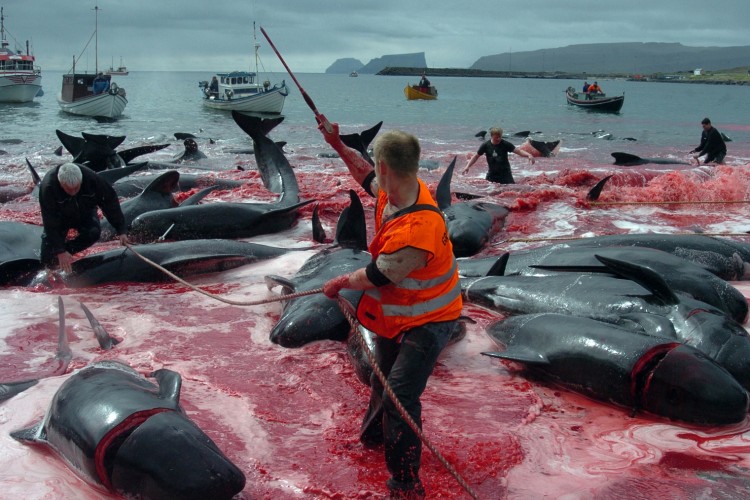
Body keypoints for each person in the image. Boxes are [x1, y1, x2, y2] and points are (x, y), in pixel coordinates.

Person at [317, 116, 462, 499]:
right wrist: (336, 144)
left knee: (400, 395)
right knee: (382, 379)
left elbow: (381, 275)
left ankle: (405, 484)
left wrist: (339, 283)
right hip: (400, 313)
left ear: (388, 167)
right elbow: (364, 174)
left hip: (432, 318)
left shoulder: (418, 228)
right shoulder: (398, 188)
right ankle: (374, 441)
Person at [39, 163, 130, 273]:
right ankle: (58, 256)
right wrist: (59, 250)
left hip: (85, 211)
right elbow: (50, 221)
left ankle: (67, 252)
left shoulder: (93, 179)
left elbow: (110, 203)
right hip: (60, 217)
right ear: (61, 184)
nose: (73, 193)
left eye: (76, 188)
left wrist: (121, 229)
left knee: (93, 233)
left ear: (81, 181)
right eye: (69, 189)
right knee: (47, 258)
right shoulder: (48, 188)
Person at [462, 127, 535, 184]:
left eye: (500, 136)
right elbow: (476, 156)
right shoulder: (486, 145)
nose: (499, 138)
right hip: (492, 174)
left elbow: (518, 151)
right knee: (489, 193)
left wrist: (528, 155)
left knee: (510, 192)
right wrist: (467, 167)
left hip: (506, 174)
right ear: (492, 136)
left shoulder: (505, 144)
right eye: (497, 137)